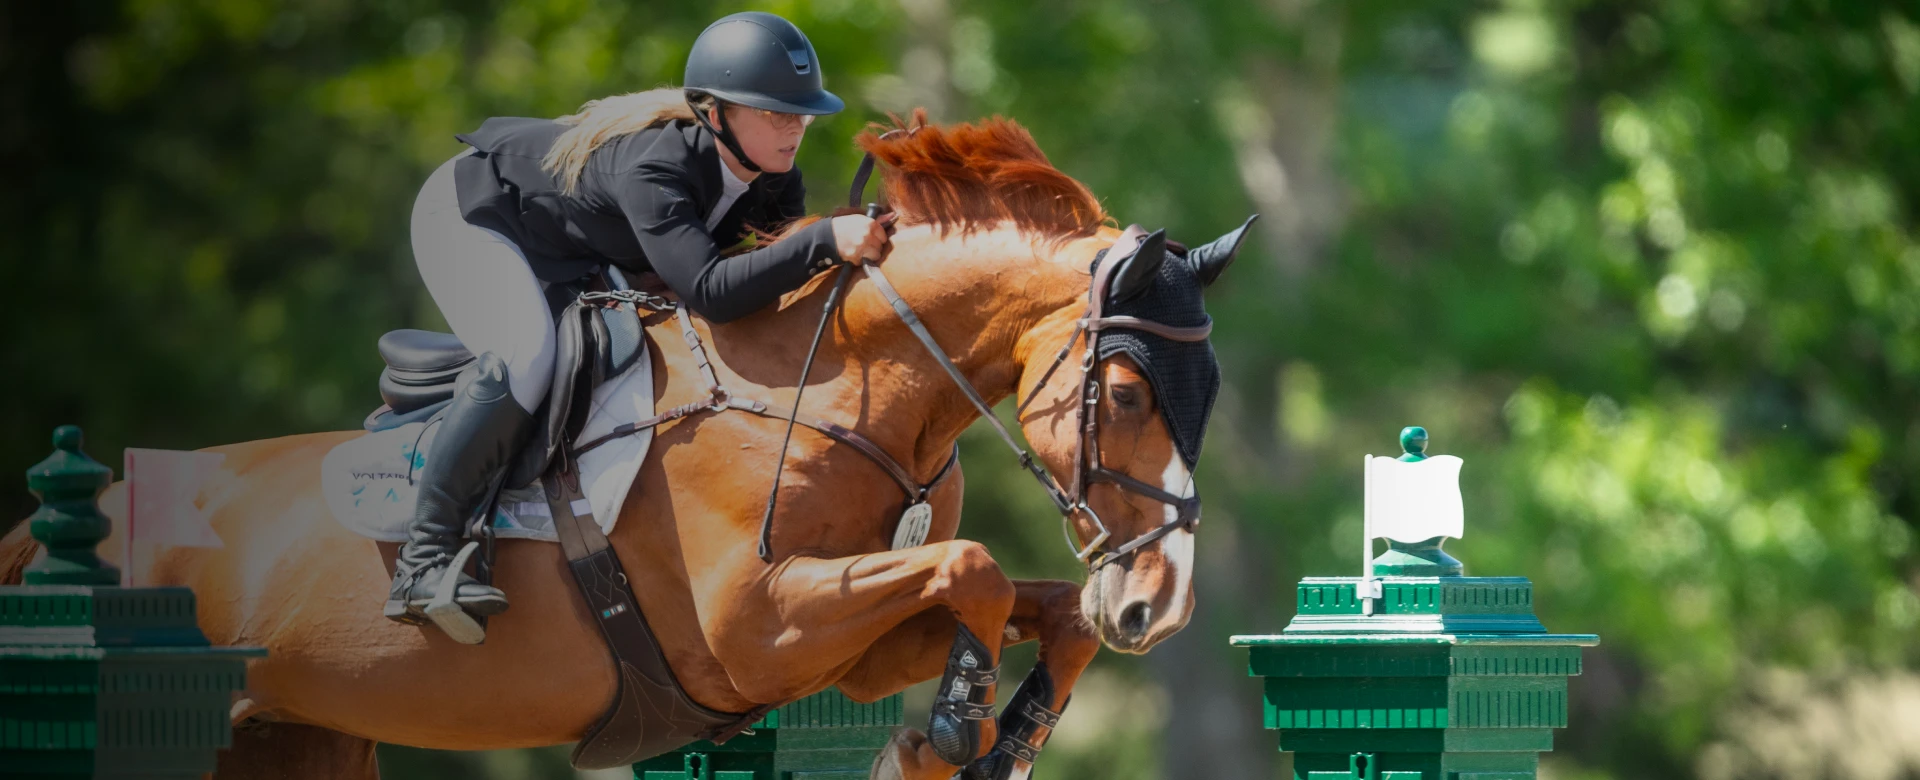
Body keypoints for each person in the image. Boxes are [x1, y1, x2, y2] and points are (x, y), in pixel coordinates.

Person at [388, 11, 892, 632]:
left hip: (577, 247)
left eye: (802, 114)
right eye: (775, 114)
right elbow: (712, 291)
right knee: (528, 355)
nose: (795, 130)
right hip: (474, 216)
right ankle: (424, 558)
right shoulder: (655, 168)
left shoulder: (774, 181)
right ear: (716, 115)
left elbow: (762, 293)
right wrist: (822, 240)